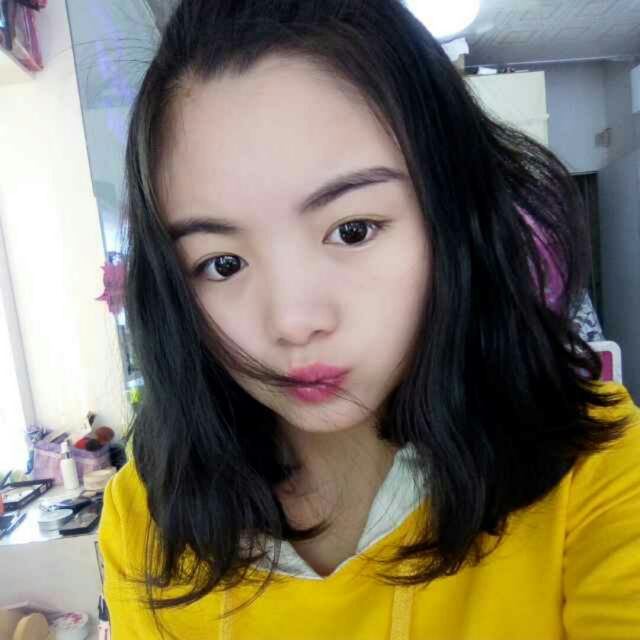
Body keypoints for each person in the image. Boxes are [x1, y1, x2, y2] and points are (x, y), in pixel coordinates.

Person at [98, 1, 640, 638]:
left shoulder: (595, 473)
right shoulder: (147, 516)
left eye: (352, 230)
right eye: (222, 264)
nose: (294, 322)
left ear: (452, 215)